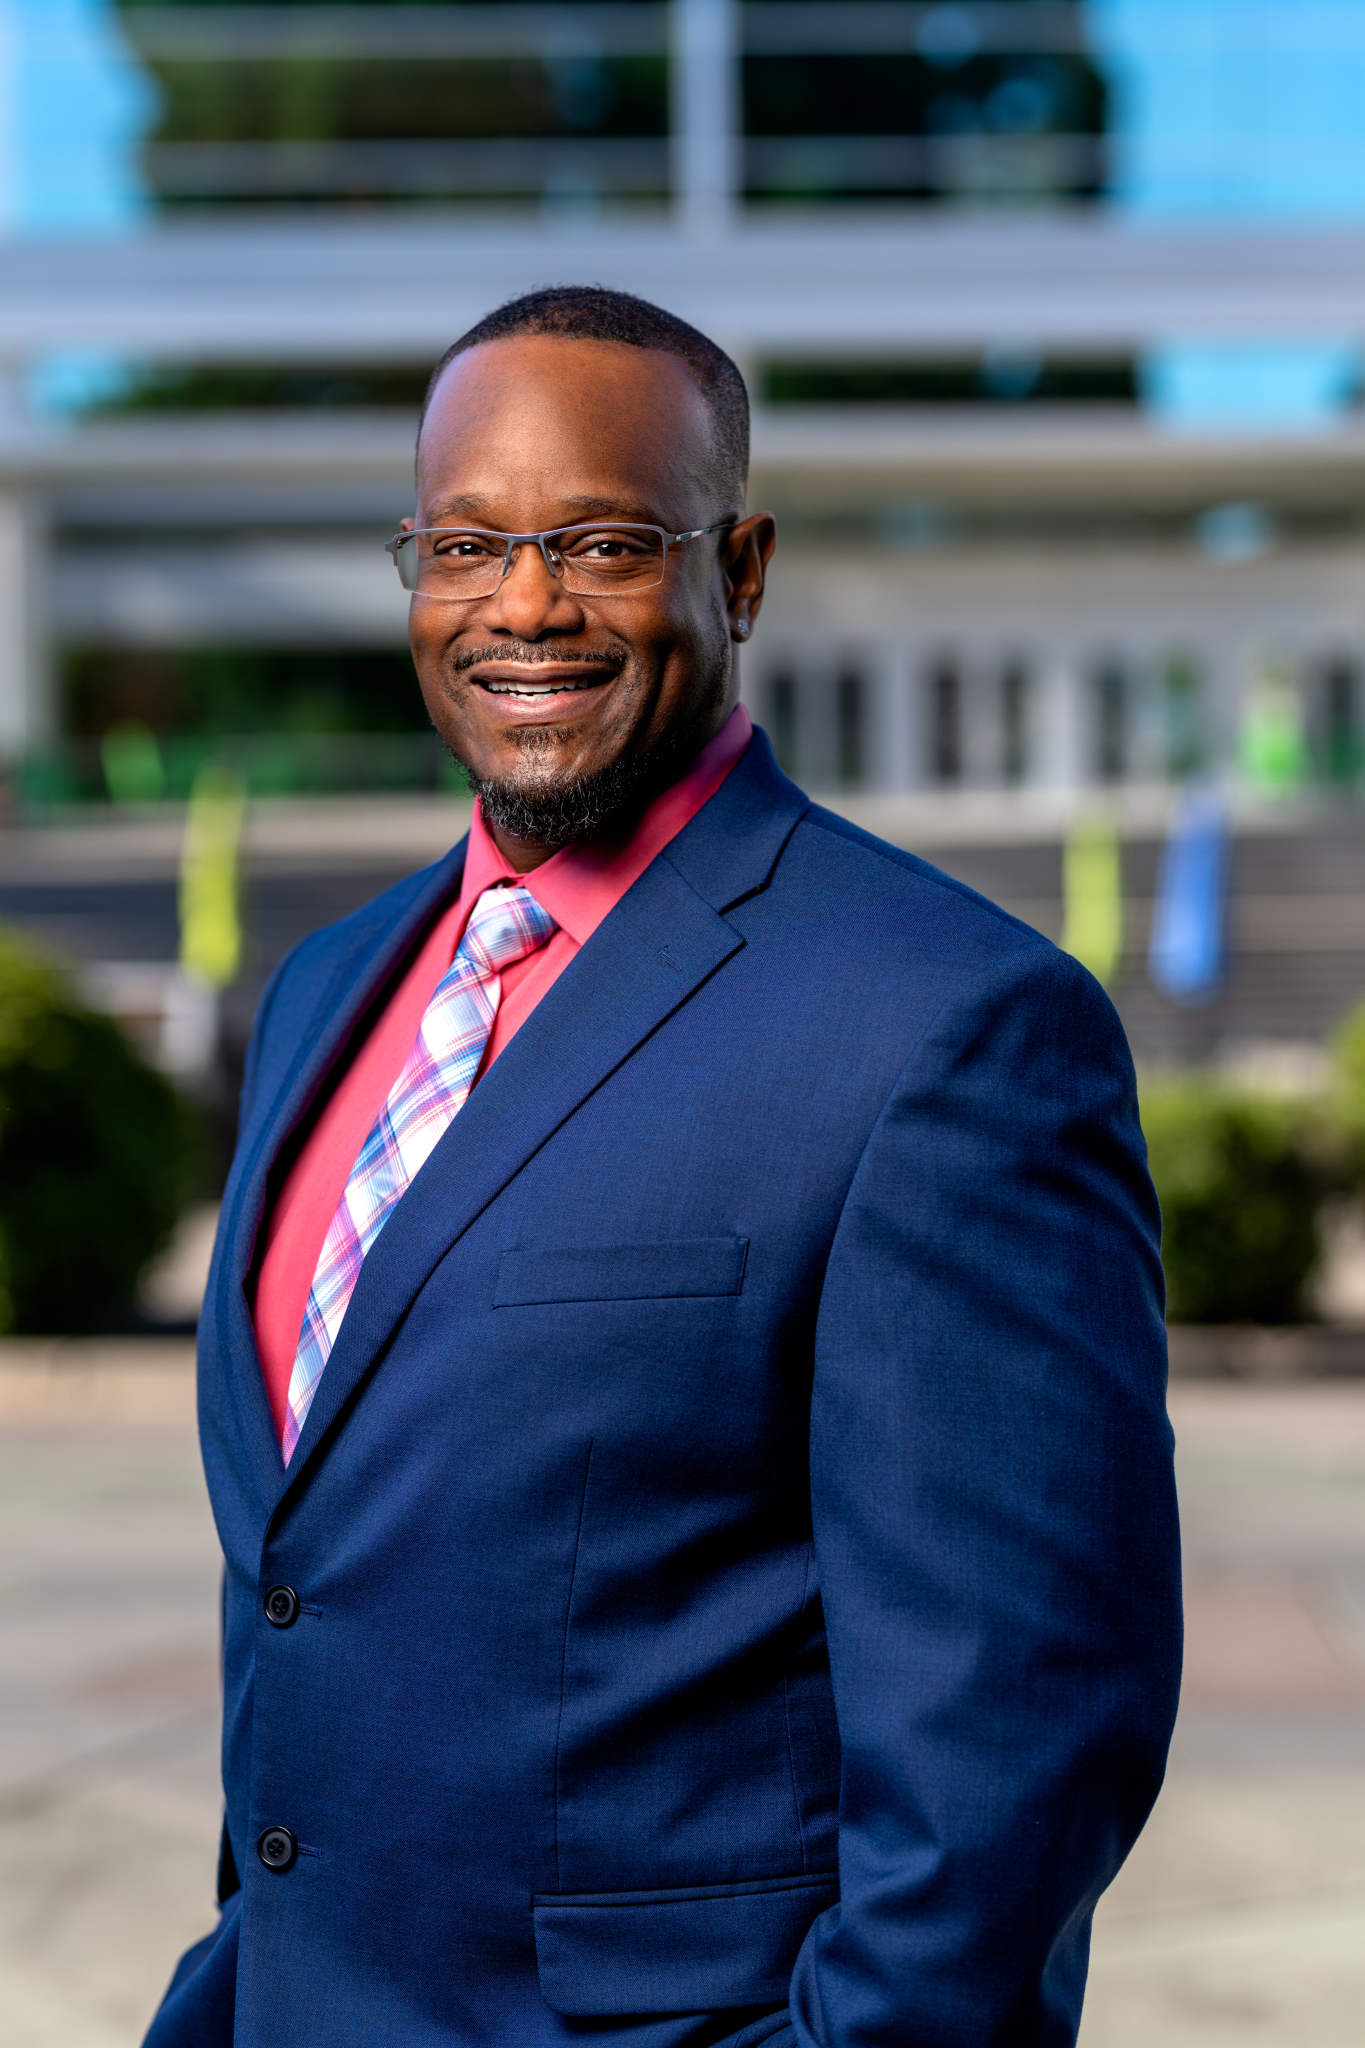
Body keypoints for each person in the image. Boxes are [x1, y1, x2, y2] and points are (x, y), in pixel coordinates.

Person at [145, 287, 1181, 2048]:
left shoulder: (950, 1028)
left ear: (742, 568)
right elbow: (315, 1586)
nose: (523, 603)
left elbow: (1015, 1751)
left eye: (603, 542)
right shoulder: (328, 992)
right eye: (463, 545)